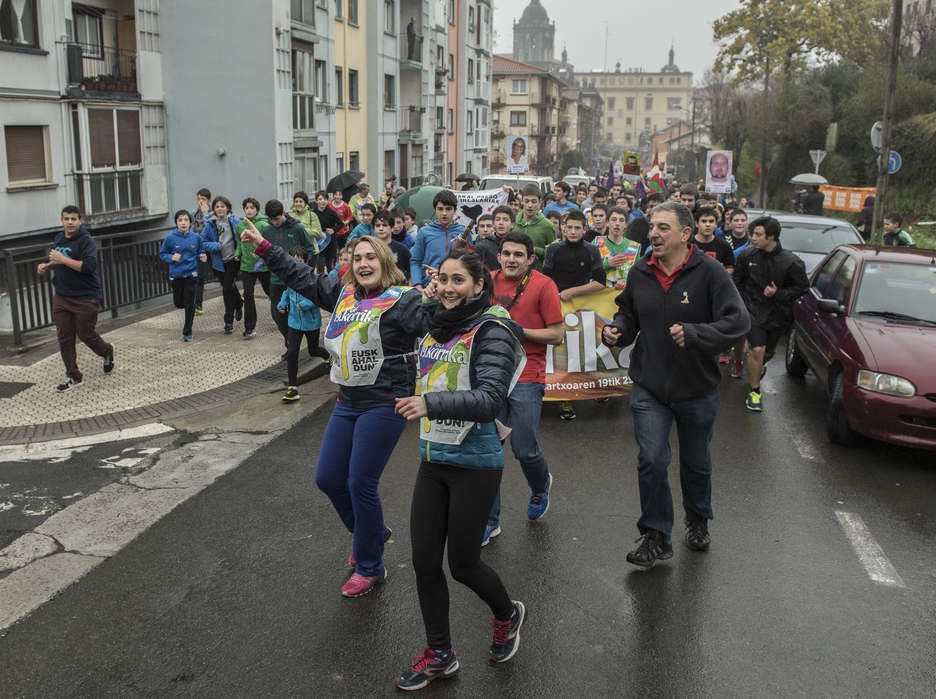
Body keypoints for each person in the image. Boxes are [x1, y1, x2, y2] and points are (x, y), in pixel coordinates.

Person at [240, 223, 426, 597]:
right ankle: (370, 533)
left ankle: (371, 564)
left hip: (385, 402)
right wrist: (263, 247)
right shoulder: (343, 295)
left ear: (385, 260)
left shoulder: (405, 300)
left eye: (371, 256)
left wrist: (443, 299)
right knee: (328, 479)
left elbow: (437, 324)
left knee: (360, 482)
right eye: (357, 258)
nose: (363, 263)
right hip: (347, 401)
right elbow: (301, 275)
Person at [393, 249, 527, 690]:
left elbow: (490, 399)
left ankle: (507, 614)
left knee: (463, 565)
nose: (449, 288)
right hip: (434, 459)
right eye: (444, 279)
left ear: (478, 286)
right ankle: (440, 654)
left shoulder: (494, 329)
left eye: (459, 281)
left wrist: (429, 403)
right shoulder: (435, 324)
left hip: (476, 463)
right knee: (424, 561)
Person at [601, 201, 749, 568]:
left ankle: (698, 519)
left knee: (695, 463)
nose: (654, 233)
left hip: (696, 388)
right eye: (653, 226)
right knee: (651, 459)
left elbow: (738, 321)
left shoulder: (711, 273)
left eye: (663, 227)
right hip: (650, 386)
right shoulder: (640, 272)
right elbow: (629, 311)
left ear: (685, 234)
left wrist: (697, 333)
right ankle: (656, 536)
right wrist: (618, 330)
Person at [484, 231, 563, 545]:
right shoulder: (485, 280)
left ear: (531, 259)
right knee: (489, 451)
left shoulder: (544, 285)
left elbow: (556, 335)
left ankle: (541, 484)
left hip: (528, 373)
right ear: (499, 255)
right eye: (506, 254)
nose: (511, 260)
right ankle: (490, 522)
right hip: (490, 374)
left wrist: (518, 331)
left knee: (523, 448)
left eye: (519, 255)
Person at [732, 215, 809, 412]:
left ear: (772, 237)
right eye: (752, 234)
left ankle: (760, 365)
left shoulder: (792, 262)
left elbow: (802, 288)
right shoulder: (747, 255)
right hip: (752, 309)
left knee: (767, 352)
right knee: (756, 350)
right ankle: (754, 392)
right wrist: (736, 302)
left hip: (778, 313)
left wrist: (779, 293)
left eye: (758, 234)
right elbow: (737, 281)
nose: (753, 238)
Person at [36, 206, 115, 391]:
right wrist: (47, 266)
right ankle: (73, 375)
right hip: (62, 296)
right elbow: (58, 262)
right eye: (66, 219)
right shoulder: (59, 238)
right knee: (64, 337)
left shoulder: (86, 240)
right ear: (62, 220)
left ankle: (107, 351)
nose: (69, 222)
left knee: (85, 334)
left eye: (73, 219)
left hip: (85, 297)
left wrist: (61, 259)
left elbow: (88, 266)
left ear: (80, 220)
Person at [543, 209, 606, 421]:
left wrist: (573, 291)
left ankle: (594, 389)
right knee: (558, 354)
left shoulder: (592, 250)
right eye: (568, 227)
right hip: (556, 307)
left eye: (577, 228)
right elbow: (545, 280)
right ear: (562, 228)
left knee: (579, 354)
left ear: (584, 229)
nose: (572, 231)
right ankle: (562, 398)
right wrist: (555, 298)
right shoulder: (553, 249)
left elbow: (601, 282)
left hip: (582, 308)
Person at [278, 245, 330, 402]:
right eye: (293, 260)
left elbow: (319, 297)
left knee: (313, 350)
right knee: (292, 352)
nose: (296, 263)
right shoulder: (289, 277)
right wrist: (282, 304)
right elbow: (287, 292)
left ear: (306, 262)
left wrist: (305, 305)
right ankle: (292, 388)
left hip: (311, 322)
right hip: (294, 322)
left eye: (299, 260)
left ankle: (326, 356)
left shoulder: (313, 278)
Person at [263, 199, 317, 352]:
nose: (275, 222)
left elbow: (310, 250)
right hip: (276, 279)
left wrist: (304, 269)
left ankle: (293, 348)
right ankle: (290, 343)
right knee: (277, 314)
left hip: (295, 280)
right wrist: (262, 260)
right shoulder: (267, 231)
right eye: (271, 220)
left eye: (277, 219)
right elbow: (264, 251)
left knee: (296, 312)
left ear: (283, 213)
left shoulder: (298, 228)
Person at [160, 210, 208, 342]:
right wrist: (172, 257)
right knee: (179, 303)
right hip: (176, 276)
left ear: (190, 222)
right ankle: (181, 305)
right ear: (176, 222)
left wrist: (202, 256)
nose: (183, 223)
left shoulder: (196, 238)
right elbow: (162, 254)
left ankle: (188, 331)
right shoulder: (170, 238)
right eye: (180, 220)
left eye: (186, 220)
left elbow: (200, 251)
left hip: (191, 274)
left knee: (189, 304)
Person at [200, 196, 244, 334]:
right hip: (219, 263)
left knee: (226, 290)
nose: (220, 209)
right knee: (230, 287)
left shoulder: (236, 222)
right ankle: (239, 303)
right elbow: (203, 242)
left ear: (228, 208)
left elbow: (243, 239)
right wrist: (215, 246)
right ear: (214, 209)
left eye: (222, 206)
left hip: (233, 260)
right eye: (217, 206)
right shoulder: (210, 225)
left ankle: (228, 321)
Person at [409, 189, 466, 290]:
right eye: (440, 209)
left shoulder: (464, 233)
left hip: (457, 287)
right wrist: (418, 286)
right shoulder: (424, 232)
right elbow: (415, 261)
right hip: (430, 287)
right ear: (435, 209)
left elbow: (468, 262)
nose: (444, 213)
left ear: (455, 210)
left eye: (448, 209)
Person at [233, 198, 270, 338]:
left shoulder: (263, 224)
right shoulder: (240, 225)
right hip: (246, 266)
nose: (249, 210)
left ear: (257, 210)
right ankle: (249, 327)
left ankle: (280, 313)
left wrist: (262, 257)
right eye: (246, 208)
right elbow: (239, 242)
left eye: (252, 208)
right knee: (248, 295)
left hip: (262, 265)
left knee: (270, 292)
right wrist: (237, 254)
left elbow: (267, 243)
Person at [514, 184, 558, 270]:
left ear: (539, 202)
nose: (530, 205)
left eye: (534, 202)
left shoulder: (547, 225)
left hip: (537, 274)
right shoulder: (513, 223)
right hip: (515, 272)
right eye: (527, 201)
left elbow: (553, 252)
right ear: (521, 201)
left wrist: (536, 250)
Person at [598, 206, 641, 291]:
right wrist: (607, 264)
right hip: (600, 297)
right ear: (607, 222)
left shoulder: (634, 247)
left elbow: (638, 276)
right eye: (613, 219)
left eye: (621, 220)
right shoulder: (597, 243)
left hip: (624, 298)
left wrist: (625, 280)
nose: (617, 223)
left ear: (626, 224)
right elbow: (588, 272)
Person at [313, 190, 347, 273]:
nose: (323, 201)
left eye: (325, 199)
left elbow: (340, 224)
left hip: (330, 241)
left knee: (329, 263)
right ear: (316, 201)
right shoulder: (313, 213)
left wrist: (333, 230)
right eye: (320, 199)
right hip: (319, 241)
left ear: (327, 201)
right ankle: (321, 281)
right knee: (320, 264)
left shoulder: (331, 212)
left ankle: (331, 280)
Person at [373, 209, 411, 282]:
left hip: (397, 290)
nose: (381, 229)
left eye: (385, 225)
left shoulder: (402, 249)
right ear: (374, 228)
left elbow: (412, 274)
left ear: (392, 227)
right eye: (377, 225)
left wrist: (407, 290)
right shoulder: (369, 248)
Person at [290, 191, 325, 271]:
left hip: (312, 251)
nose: (298, 204)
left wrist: (301, 229)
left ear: (305, 203)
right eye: (296, 201)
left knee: (309, 273)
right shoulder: (290, 216)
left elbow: (317, 232)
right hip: (295, 251)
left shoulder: (312, 215)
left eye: (300, 201)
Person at [191, 188, 212, 314]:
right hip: (201, 248)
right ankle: (198, 304)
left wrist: (205, 212)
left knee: (221, 274)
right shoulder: (194, 212)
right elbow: (193, 228)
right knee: (200, 276)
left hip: (212, 246)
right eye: (198, 199)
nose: (200, 202)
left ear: (209, 200)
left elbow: (210, 227)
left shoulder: (213, 212)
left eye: (203, 200)